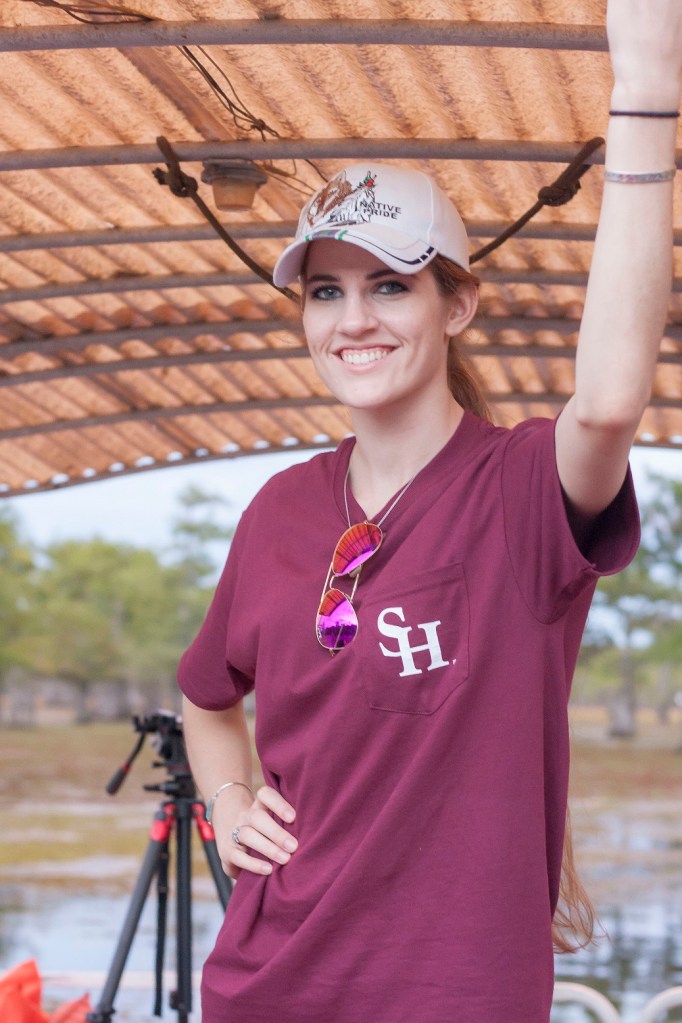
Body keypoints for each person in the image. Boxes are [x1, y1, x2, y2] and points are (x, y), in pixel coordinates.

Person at [178, 3, 681, 1020]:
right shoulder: (279, 510)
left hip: (456, 996)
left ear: (457, 306)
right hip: (266, 985)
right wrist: (228, 806)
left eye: (389, 286)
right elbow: (206, 696)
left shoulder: (522, 491)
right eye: (324, 293)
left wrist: (647, 90)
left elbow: (612, 400)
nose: (352, 320)